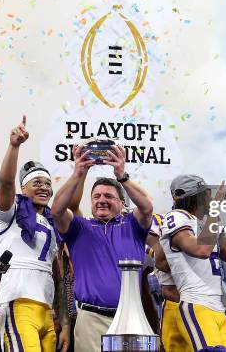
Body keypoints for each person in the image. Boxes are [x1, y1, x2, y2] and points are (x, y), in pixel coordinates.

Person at [51, 144, 154, 352]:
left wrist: (121, 175)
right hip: (91, 320)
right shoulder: (80, 227)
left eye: (108, 196)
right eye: (96, 196)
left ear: (122, 202)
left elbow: (147, 206)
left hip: (131, 318)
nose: (101, 201)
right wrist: (77, 173)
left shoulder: (133, 225)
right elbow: (57, 210)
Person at [0, 116, 70, 352]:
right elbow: (6, 183)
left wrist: (65, 322)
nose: (44, 187)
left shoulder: (52, 222)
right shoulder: (11, 212)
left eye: (47, 183)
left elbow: (58, 275)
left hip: (46, 309)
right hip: (18, 302)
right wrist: (14, 146)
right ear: (23, 188)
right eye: (36, 182)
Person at [159, 174, 226, 351]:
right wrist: (215, 208)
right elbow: (201, 250)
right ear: (198, 196)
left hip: (217, 308)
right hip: (196, 304)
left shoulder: (206, 224)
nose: (211, 198)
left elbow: (216, 269)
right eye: (207, 194)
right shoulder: (177, 217)